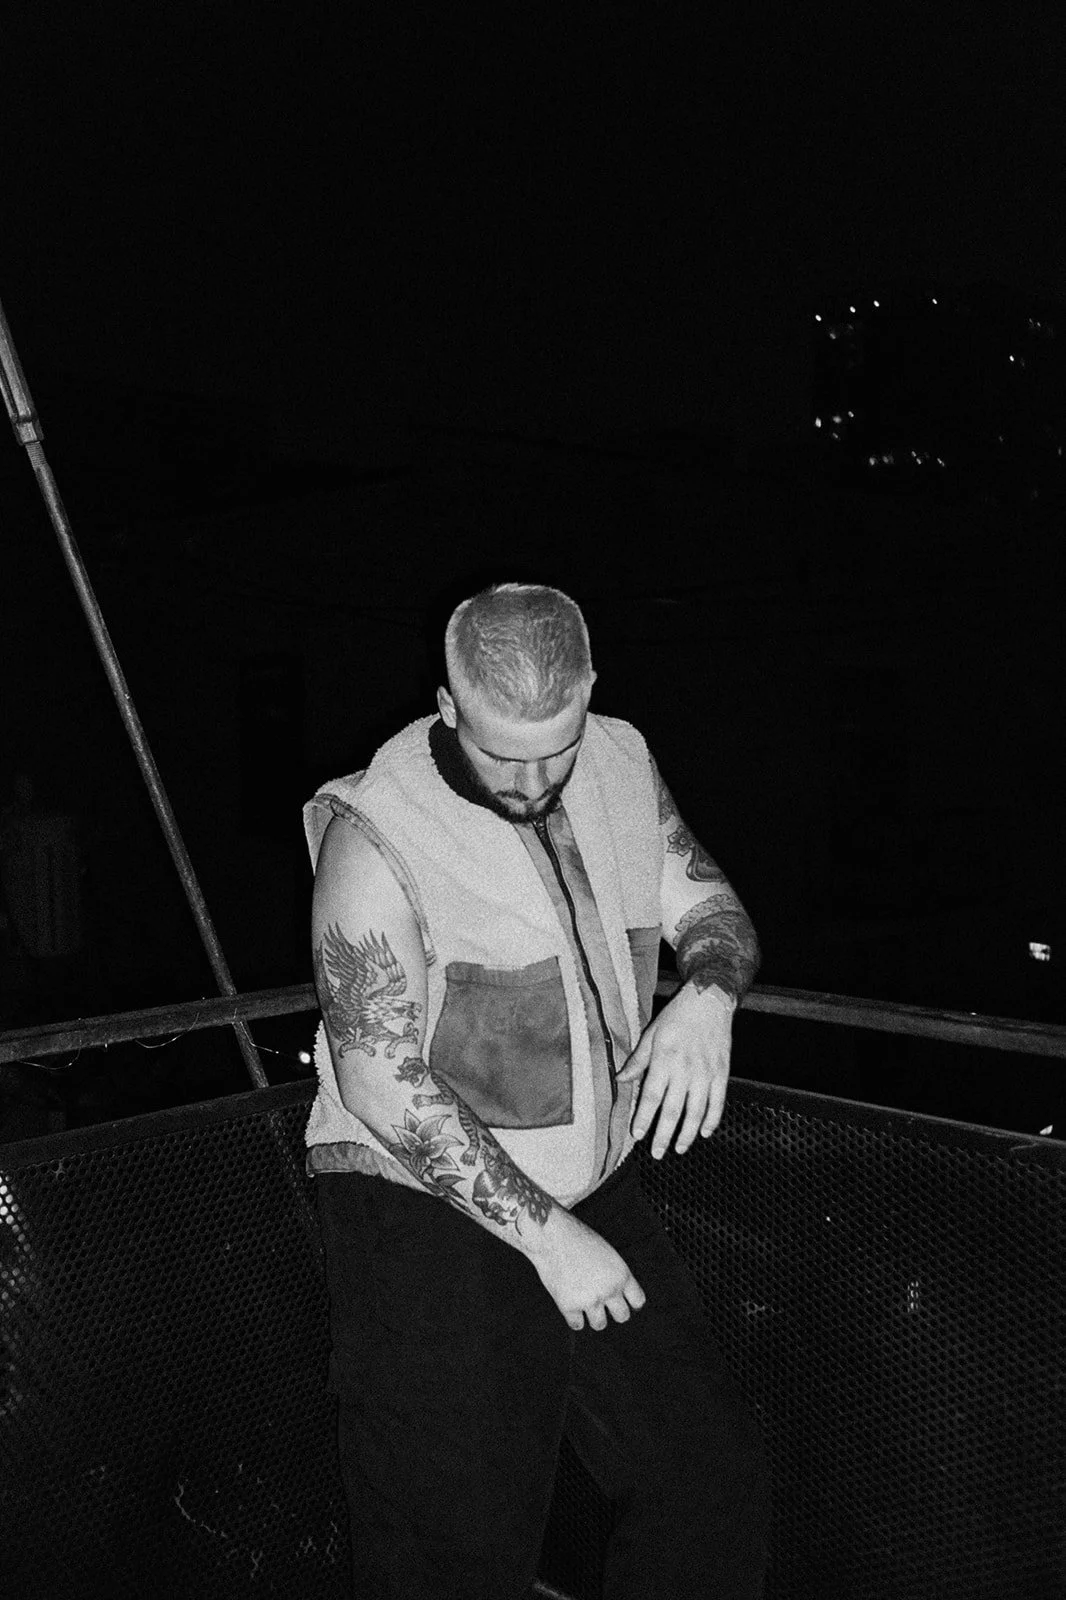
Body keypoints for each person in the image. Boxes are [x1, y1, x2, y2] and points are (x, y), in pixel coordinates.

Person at [305, 582, 769, 1600]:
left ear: (590, 693)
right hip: (418, 1206)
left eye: (553, 746)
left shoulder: (618, 759)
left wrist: (707, 992)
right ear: (446, 704)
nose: (531, 778)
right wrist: (552, 1240)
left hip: (587, 1187)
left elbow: (707, 904)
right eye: (500, 749)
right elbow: (378, 1080)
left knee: (707, 1481)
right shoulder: (374, 829)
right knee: (454, 1544)